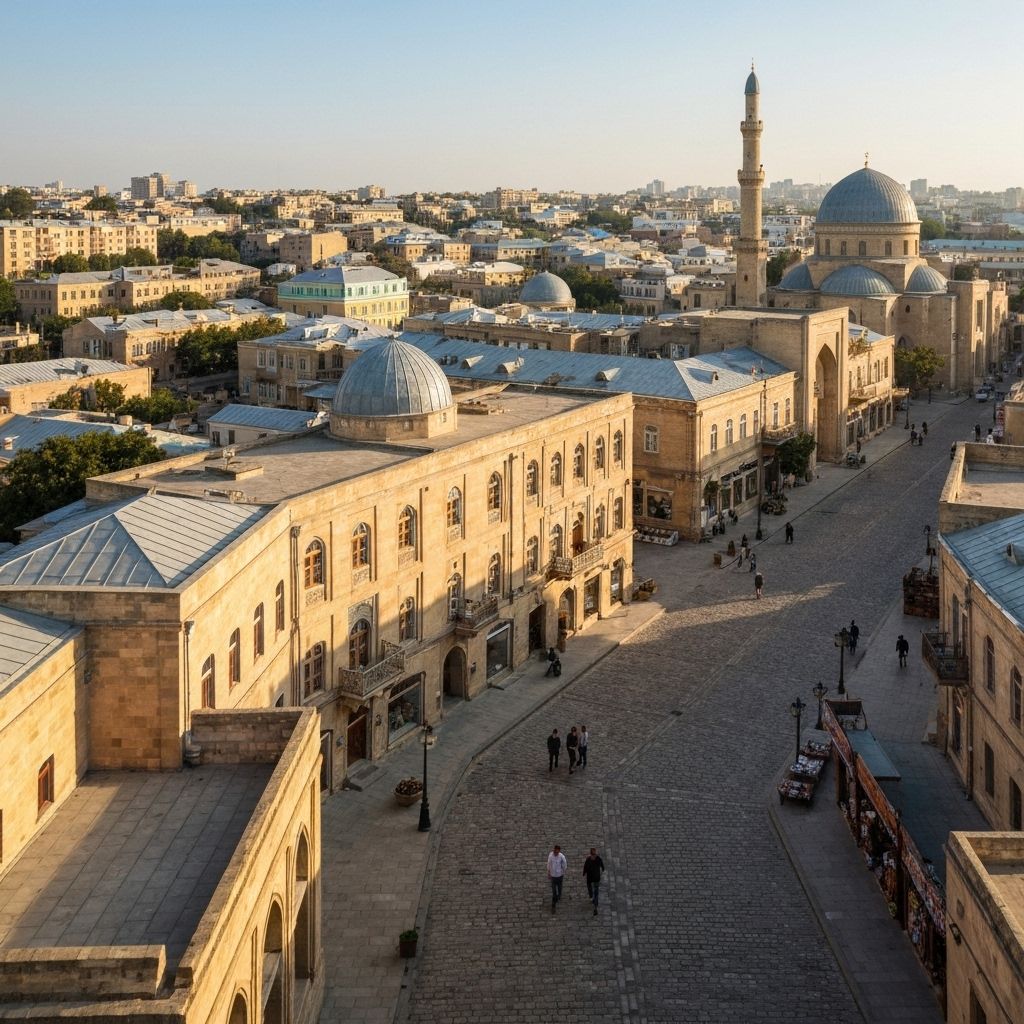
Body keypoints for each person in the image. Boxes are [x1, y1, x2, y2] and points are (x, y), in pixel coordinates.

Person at [582, 848, 605, 915]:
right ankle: (594, 902)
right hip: (595, 877)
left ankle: (593, 899)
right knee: (595, 890)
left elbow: (585, 867)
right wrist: (603, 869)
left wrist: (584, 873)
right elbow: (602, 865)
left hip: (592, 878)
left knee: (592, 888)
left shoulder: (589, 859)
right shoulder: (597, 858)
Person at [547, 844, 567, 912]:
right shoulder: (551, 855)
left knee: (559, 887)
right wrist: (549, 872)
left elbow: (564, 864)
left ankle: (559, 895)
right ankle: (554, 902)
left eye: (557, 852)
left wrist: (563, 871)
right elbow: (549, 864)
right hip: (553, 875)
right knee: (553, 890)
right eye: (555, 851)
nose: (556, 853)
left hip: (559, 875)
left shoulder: (561, 856)